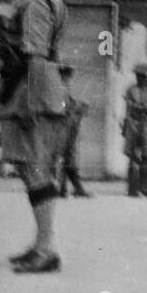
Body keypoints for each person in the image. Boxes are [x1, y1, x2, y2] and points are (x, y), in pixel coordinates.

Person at [0, 0, 69, 274]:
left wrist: (27, 104)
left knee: (37, 168)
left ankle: (46, 250)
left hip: (33, 93)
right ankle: (40, 245)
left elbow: (35, 55)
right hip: (29, 90)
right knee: (30, 169)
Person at [121, 63, 147, 197]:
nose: (140, 78)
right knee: (133, 156)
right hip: (133, 125)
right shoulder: (131, 90)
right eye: (138, 75)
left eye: (143, 75)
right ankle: (132, 188)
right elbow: (129, 107)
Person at [57, 65, 90, 198]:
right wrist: (80, 106)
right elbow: (65, 106)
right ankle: (73, 188)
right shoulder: (61, 89)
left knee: (67, 157)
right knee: (67, 156)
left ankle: (65, 188)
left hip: (69, 125)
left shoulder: (63, 88)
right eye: (68, 76)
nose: (70, 79)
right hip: (65, 126)